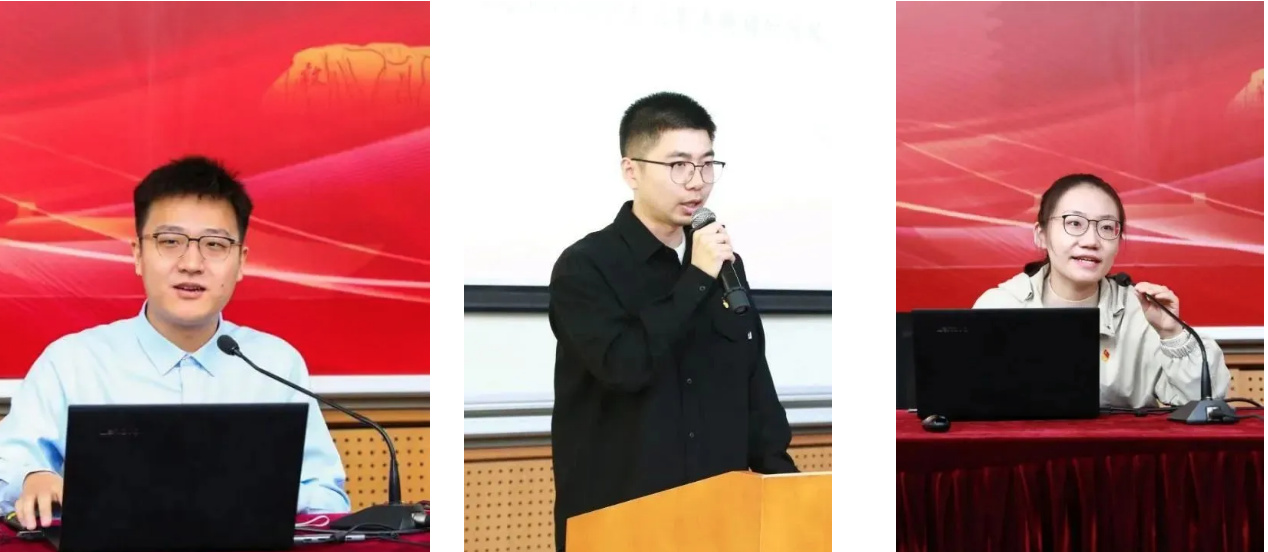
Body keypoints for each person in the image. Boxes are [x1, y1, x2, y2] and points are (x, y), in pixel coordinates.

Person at [0, 156, 351, 530]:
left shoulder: (275, 364)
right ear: (138, 254)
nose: (192, 263)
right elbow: (10, 463)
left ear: (241, 261)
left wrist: (257, 497)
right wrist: (33, 477)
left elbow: (326, 495)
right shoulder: (73, 362)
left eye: (215, 244)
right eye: (170, 241)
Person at [547, 92, 798, 551]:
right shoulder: (586, 267)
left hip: (720, 520)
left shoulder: (724, 265)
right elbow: (624, 366)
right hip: (619, 522)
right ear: (632, 171)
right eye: (679, 165)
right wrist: (696, 279)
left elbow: (754, 387)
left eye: (707, 165)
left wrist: (787, 492)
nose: (696, 182)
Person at [973, 173, 1230, 408]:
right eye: (1074, 223)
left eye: (1106, 227)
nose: (1091, 241)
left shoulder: (1141, 312)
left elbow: (1204, 402)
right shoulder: (999, 306)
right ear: (1041, 235)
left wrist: (1171, 334)